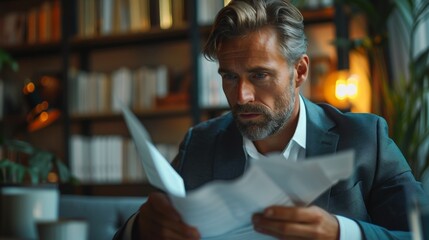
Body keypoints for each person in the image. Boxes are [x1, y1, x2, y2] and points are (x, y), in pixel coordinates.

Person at [115, 0, 427, 239]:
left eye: (259, 75)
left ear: (299, 72)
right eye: (230, 77)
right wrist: (140, 227)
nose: (241, 96)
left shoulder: (364, 138)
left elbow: (420, 230)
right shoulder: (200, 143)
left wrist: (341, 233)